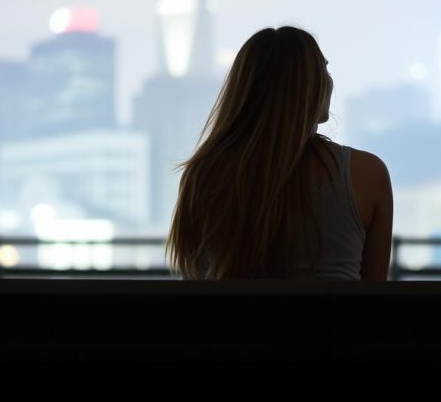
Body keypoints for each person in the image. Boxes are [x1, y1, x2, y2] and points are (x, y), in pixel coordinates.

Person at [168, 26, 393, 280]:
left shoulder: (205, 176)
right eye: (323, 70)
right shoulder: (366, 175)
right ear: (310, 87)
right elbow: (376, 297)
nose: (330, 81)